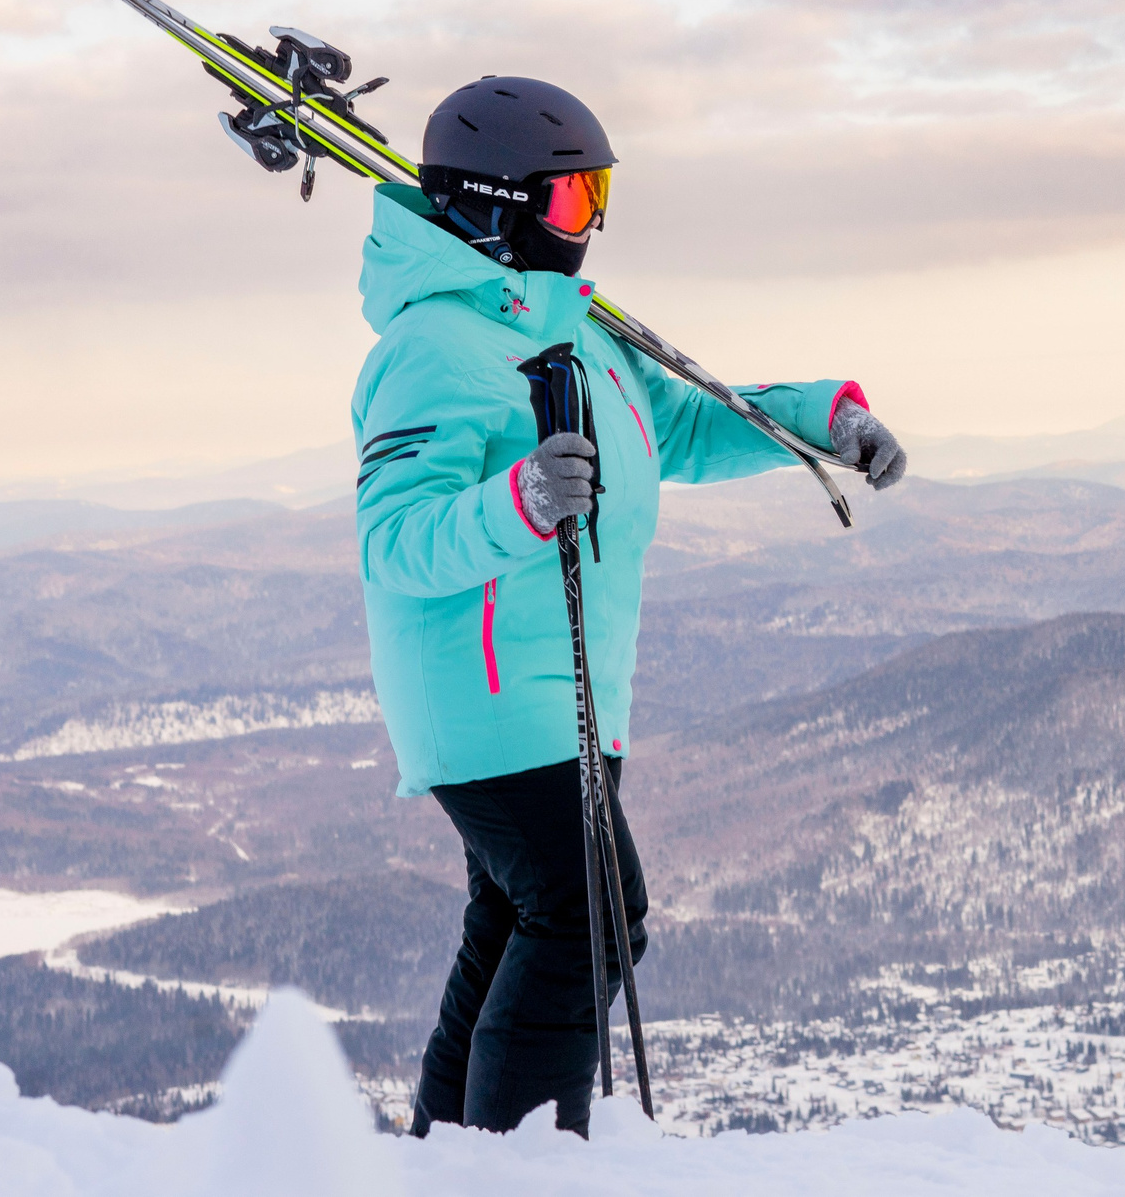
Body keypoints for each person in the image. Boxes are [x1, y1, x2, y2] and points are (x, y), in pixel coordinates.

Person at [350, 76, 907, 1137]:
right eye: (568, 201)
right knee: (592, 921)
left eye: (599, 195)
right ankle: (511, 1165)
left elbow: (687, 431)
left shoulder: (577, 333)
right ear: (495, 202)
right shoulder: (431, 351)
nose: (589, 225)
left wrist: (821, 423)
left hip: (568, 686)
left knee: (520, 916)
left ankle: (445, 1156)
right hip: (491, 695)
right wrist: (520, 502)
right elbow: (395, 542)